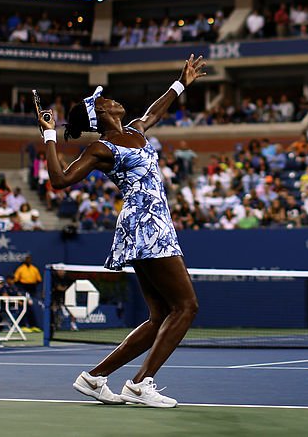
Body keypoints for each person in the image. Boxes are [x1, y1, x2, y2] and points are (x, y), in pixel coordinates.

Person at [41, 54, 206, 408]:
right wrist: (50, 136)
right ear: (99, 113)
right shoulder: (101, 147)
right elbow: (60, 180)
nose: (111, 98)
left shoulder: (134, 129)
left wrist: (180, 82)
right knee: (187, 306)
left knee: (161, 314)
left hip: (154, 224)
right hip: (144, 224)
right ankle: (140, 384)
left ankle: (94, 378)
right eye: (104, 99)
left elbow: (155, 112)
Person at [12, 255, 42, 332]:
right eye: (27, 259)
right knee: (25, 306)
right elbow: (16, 280)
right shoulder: (21, 269)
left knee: (32, 307)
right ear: (25, 260)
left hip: (32, 289)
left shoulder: (34, 269)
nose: (29, 260)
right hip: (23, 288)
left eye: (30, 259)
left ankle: (33, 325)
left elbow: (39, 279)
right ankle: (23, 325)